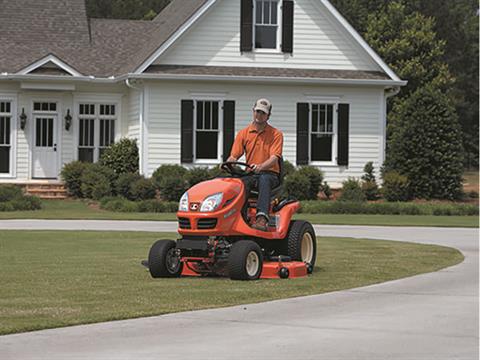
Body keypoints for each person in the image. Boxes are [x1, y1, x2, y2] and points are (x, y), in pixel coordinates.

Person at [227, 98, 283, 231]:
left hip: (270, 175)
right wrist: (229, 162)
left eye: (263, 113)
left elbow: (274, 158)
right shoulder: (243, 133)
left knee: (264, 179)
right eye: (257, 111)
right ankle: (236, 216)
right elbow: (234, 155)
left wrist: (261, 167)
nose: (259, 115)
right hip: (252, 174)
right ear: (253, 112)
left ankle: (261, 218)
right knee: (236, 183)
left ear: (268, 116)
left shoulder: (276, 134)